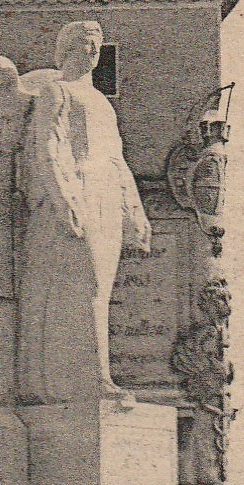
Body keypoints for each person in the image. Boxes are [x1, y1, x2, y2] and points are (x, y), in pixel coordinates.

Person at [20, 21, 151, 402]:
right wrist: (63, 199)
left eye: (94, 47)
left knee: (101, 292)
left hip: (106, 197)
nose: (90, 52)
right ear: (64, 50)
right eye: (81, 45)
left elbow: (117, 160)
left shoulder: (103, 105)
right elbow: (45, 147)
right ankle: (90, 378)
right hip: (76, 196)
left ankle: (97, 376)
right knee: (86, 287)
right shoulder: (56, 92)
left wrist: (136, 212)